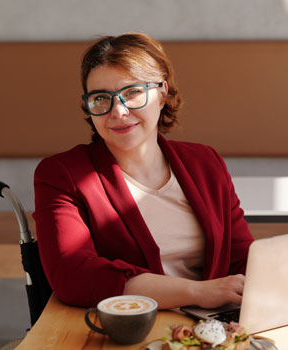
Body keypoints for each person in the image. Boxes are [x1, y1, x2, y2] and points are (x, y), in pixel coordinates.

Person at [33, 32, 254, 309]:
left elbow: (242, 258)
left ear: (162, 92)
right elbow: (73, 276)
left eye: (133, 92)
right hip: (122, 332)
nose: (118, 111)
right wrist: (197, 293)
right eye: (101, 98)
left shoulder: (205, 161)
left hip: (211, 332)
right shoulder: (61, 174)